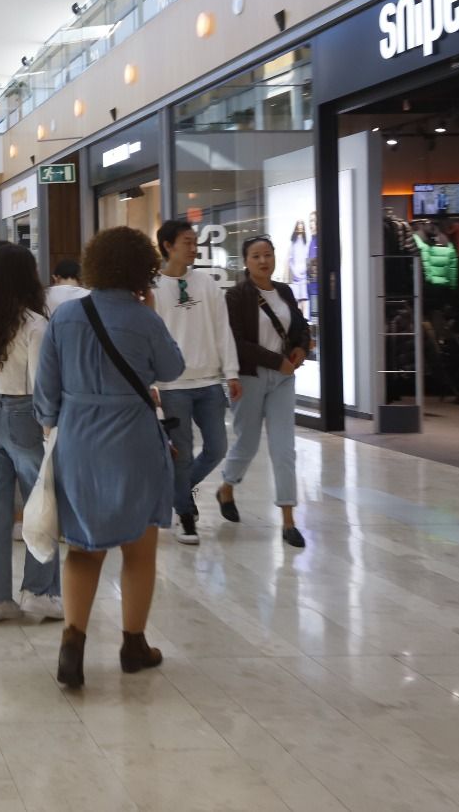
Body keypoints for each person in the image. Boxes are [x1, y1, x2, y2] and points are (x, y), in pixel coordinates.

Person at [34, 226, 184, 689]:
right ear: (144, 268)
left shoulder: (66, 317)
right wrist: (152, 315)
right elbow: (173, 369)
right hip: (134, 439)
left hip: (80, 438)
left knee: (84, 547)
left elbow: (46, 390)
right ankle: (133, 645)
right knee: (139, 549)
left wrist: (53, 418)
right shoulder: (144, 319)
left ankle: (72, 646)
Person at [0, 244, 62, 622]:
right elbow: (43, 383)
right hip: (25, 415)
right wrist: (50, 428)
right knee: (41, 505)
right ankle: (38, 593)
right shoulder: (35, 324)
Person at [152, 220, 242, 546]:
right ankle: (186, 516)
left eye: (195, 242)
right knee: (183, 453)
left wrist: (230, 371)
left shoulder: (207, 283)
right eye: (187, 242)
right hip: (172, 385)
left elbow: (222, 328)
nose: (193, 248)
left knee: (217, 447)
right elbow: (150, 339)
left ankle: (174, 493)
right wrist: (151, 382)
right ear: (167, 246)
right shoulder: (152, 288)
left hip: (208, 383)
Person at [219, 236, 312, 549]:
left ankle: (288, 520)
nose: (263, 261)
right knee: (247, 442)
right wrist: (277, 361)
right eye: (256, 256)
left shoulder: (284, 291)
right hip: (252, 378)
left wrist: (300, 348)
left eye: (268, 255)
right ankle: (227, 487)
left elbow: (301, 325)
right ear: (246, 261)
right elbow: (237, 342)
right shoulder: (236, 296)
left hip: (283, 381)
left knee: (284, 448)